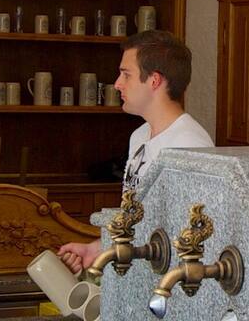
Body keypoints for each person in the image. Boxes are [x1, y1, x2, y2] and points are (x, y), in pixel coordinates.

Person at [55, 30, 213, 272]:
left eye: (126, 75)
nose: (117, 84)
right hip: (139, 272)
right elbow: (138, 217)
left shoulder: (189, 144)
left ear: (154, 81)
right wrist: (98, 248)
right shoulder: (139, 135)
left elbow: (190, 234)